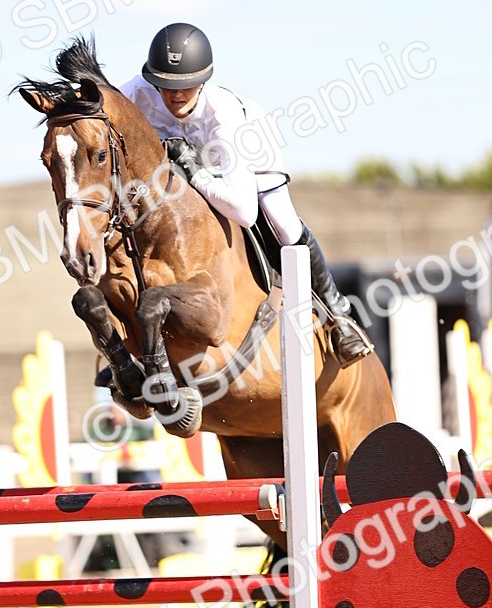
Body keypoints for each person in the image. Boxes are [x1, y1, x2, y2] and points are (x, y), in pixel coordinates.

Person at [119, 23, 373, 368]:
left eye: (185, 86)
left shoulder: (225, 117)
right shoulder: (135, 93)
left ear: (203, 80)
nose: (175, 95)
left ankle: (337, 314)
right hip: (177, 167)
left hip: (242, 151)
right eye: (165, 85)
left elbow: (244, 212)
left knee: (281, 221)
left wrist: (196, 173)